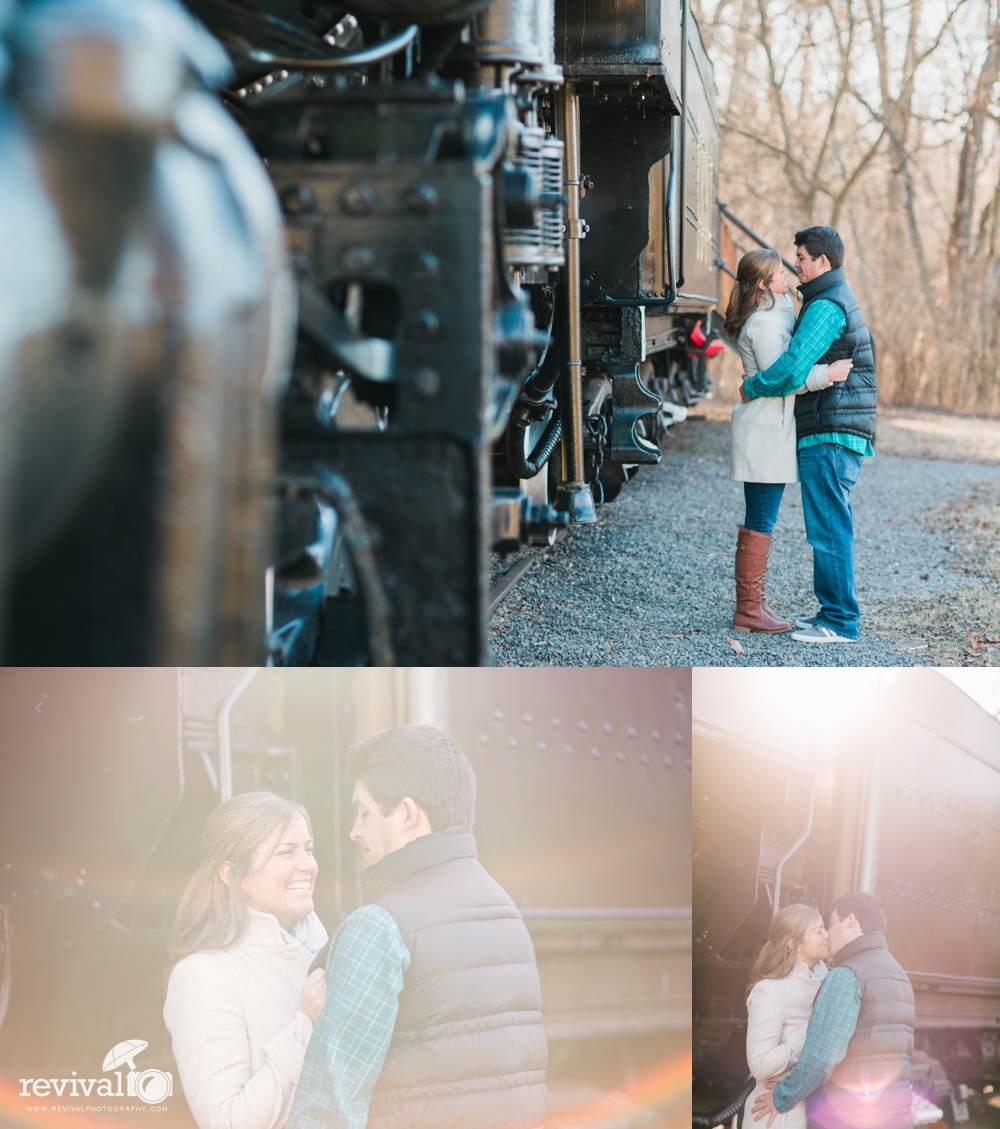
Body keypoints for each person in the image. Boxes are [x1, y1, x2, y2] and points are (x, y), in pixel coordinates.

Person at [287, 724, 547, 1129]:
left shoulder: (379, 925)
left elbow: (331, 1105)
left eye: (364, 812)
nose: (355, 831)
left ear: (406, 814)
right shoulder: (504, 910)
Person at [741, 227, 876, 644]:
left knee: (829, 528)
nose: (794, 263)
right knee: (827, 525)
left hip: (832, 430)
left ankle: (839, 622)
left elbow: (794, 366)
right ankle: (829, 612)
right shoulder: (823, 298)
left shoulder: (827, 306)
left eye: (800, 256)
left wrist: (753, 386)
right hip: (830, 427)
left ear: (823, 261)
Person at [164, 792, 329, 1129]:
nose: (308, 865)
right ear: (232, 874)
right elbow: (226, 1121)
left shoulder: (324, 949)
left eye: (308, 850)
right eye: (286, 852)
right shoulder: (202, 977)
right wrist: (305, 1027)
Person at [724, 249, 852, 632]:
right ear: (764, 284)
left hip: (772, 430)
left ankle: (754, 606)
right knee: (760, 520)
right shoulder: (762, 324)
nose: (788, 276)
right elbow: (785, 378)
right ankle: (749, 609)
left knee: (763, 519)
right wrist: (826, 374)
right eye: (780, 273)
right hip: (763, 430)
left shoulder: (777, 309)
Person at [751, 892, 914, 1129]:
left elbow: (821, 1058)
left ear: (850, 921)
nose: (828, 932)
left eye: (832, 922)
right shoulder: (899, 974)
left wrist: (781, 1096)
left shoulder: (846, 975)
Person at [742, 904, 831, 1129]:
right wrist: (811, 1028)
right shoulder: (769, 990)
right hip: (776, 1119)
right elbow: (759, 1065)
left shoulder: (825, 983)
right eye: (818, 931)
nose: (827, 935)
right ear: (794, 944)